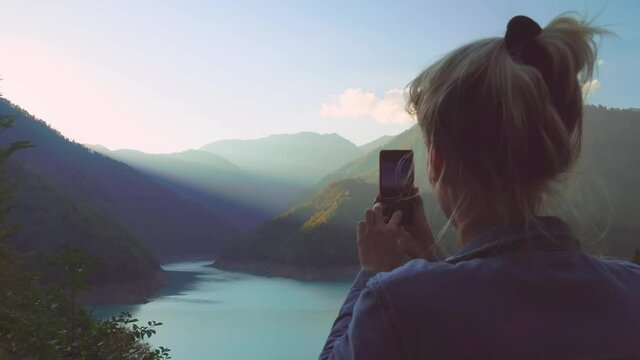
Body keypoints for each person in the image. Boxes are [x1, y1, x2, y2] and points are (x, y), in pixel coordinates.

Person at [319, 14, 640, 360]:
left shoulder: (395, 305)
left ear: (439, 160)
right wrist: (434, 258)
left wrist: (374, 271)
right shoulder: (630, 288)